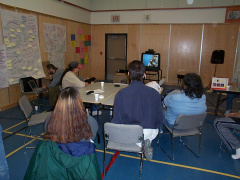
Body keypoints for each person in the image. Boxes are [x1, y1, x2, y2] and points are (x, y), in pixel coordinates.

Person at [24, 87, 102, 180]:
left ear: (58, 102)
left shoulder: (49, 120)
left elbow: (50, 138)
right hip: (81, 169)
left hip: (54, 168)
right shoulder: (90, 121)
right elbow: (90, 138)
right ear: (79, 102)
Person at [111, 60, 165, 161]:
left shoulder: (121, 94)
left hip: (129, 132)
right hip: (148, 131)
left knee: (126, 129)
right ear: (144, 75)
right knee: (149, 129)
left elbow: (116, 120)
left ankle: (139, 143)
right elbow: (160, 119)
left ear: (128, 74)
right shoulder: (154, 93)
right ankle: (143, 142)